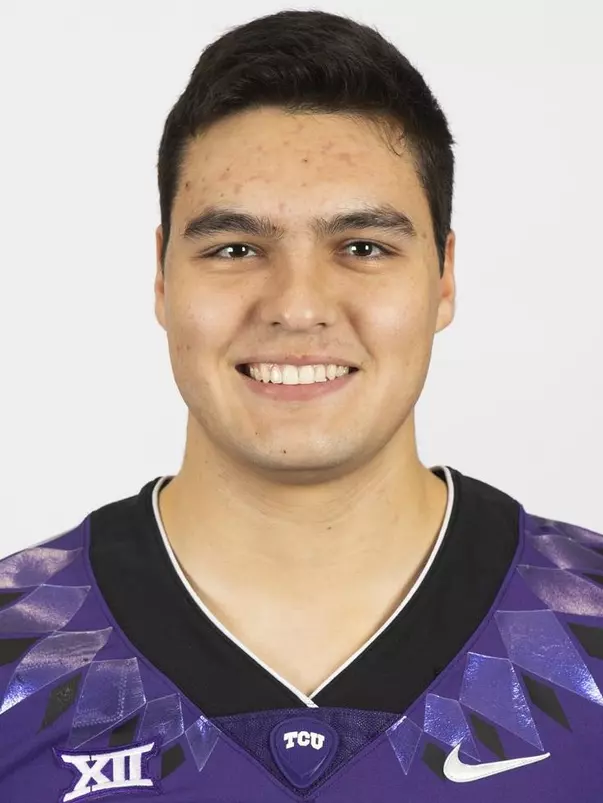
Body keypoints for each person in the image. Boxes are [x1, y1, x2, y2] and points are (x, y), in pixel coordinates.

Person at [1, 8, 601, 802]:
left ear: (443, 276)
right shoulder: (19, 652)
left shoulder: (584, 632)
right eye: (235, 248)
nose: (296, 305)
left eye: (362, 247)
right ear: (162, 276)